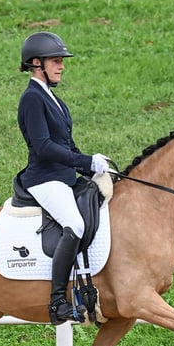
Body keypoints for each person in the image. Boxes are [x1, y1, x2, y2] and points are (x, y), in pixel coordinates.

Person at [16, 31, 112, 325]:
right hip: (44, 178)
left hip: (63, 176)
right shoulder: (32, 99)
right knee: (75, 223)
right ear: (36, 63)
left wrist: (92, 167)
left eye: (61, 61)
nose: (61, 66)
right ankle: (57, 301)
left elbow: (67, 145)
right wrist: (85, 162)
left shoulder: (53, 98)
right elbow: (44, 146)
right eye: (56, 61)